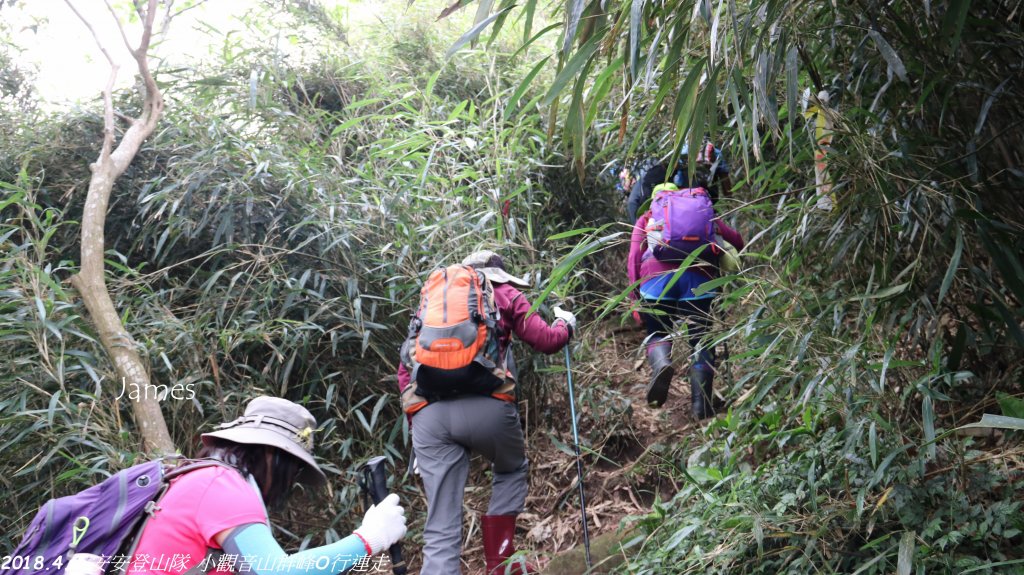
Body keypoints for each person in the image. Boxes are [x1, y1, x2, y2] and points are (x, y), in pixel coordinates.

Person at [397, 250, 576, 575]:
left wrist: (416, 430)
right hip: (488, 407)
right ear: (498, 275)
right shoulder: (503, 293)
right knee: (510, 469)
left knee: (440, 524)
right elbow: (546, 340)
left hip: (428, 415)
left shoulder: (434, 305)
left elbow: (405, 370)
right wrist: (565, 324)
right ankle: (501, 564)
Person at [126, 396, 407, 575]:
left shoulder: (202, 478)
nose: (291, 480)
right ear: (274, 456)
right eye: (295, 468)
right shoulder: (221, 487)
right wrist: (369, 538)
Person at [627, 153, 745, 419]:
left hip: (656, 283)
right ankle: (700, 407)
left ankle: (662, 363)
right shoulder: (701, 211)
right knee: (700, 337)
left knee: (658, 330)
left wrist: (636, 297)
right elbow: (736, 241)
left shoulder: (646, 218)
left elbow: (634, 257)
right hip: (699, 280)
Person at [626, 143, 730, 222]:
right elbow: (727, 186)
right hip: (706, 200)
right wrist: (729, 201)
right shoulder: (716, 153)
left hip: (682, 200)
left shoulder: (681, 148)